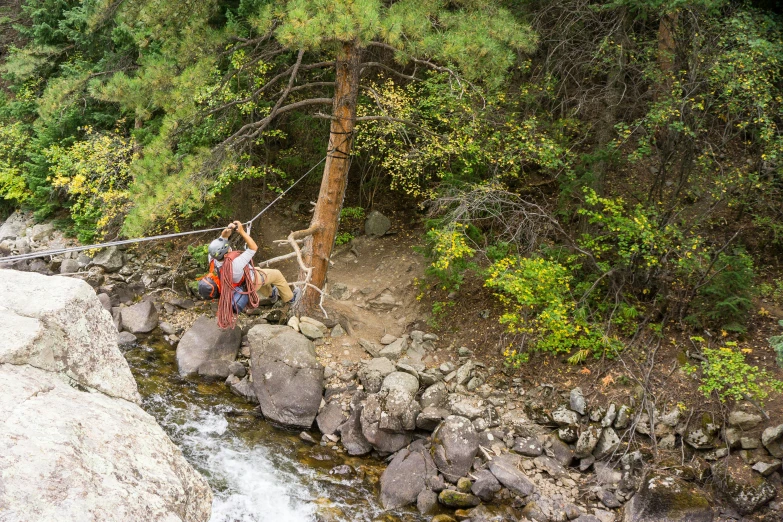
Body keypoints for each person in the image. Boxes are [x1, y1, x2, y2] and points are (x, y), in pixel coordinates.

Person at [198, 221, 299, 311]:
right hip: (251, 281)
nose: (229, 248)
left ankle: (272, 295)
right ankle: (290, 299)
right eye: (228, 248)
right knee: (276, 275)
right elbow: (253, 248)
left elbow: (217, 248)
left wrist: (223, 236)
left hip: (243, 281)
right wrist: (242, 232)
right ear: (225, 254)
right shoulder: (235, 264)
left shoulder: (213, 260)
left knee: (259, 273)